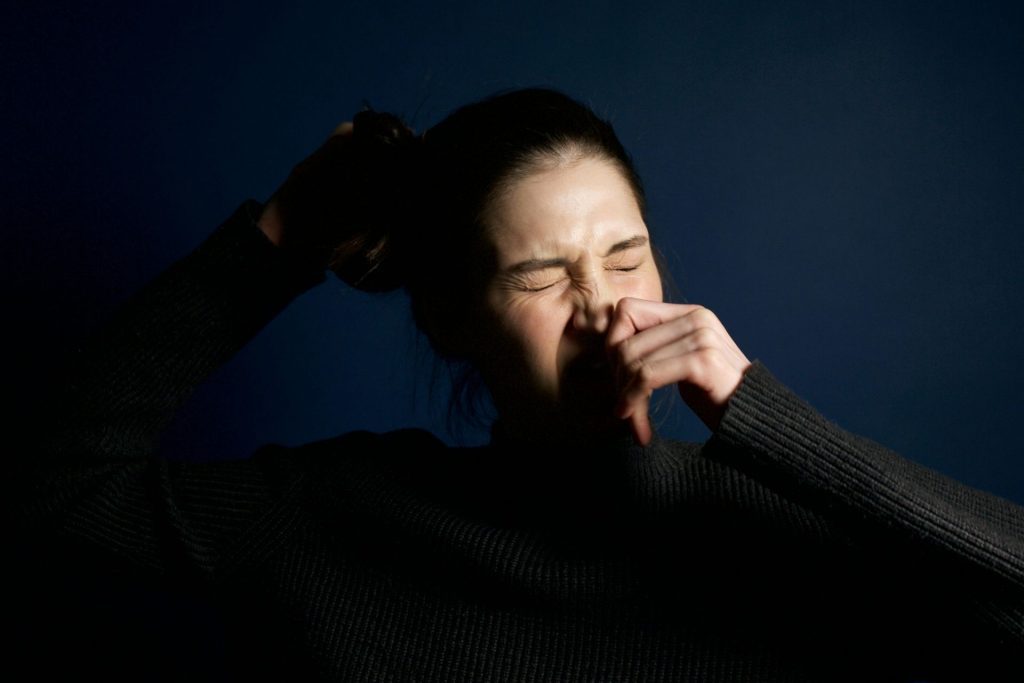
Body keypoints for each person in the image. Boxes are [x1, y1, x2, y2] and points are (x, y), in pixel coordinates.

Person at [11, 88, 1024, 681]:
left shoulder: (767, 522)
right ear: (452, 318)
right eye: (541, 276)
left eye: (626, 256)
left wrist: (763, 415)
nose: (601, 308)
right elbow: (51, 486)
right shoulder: (336, 519)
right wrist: (282, 237)